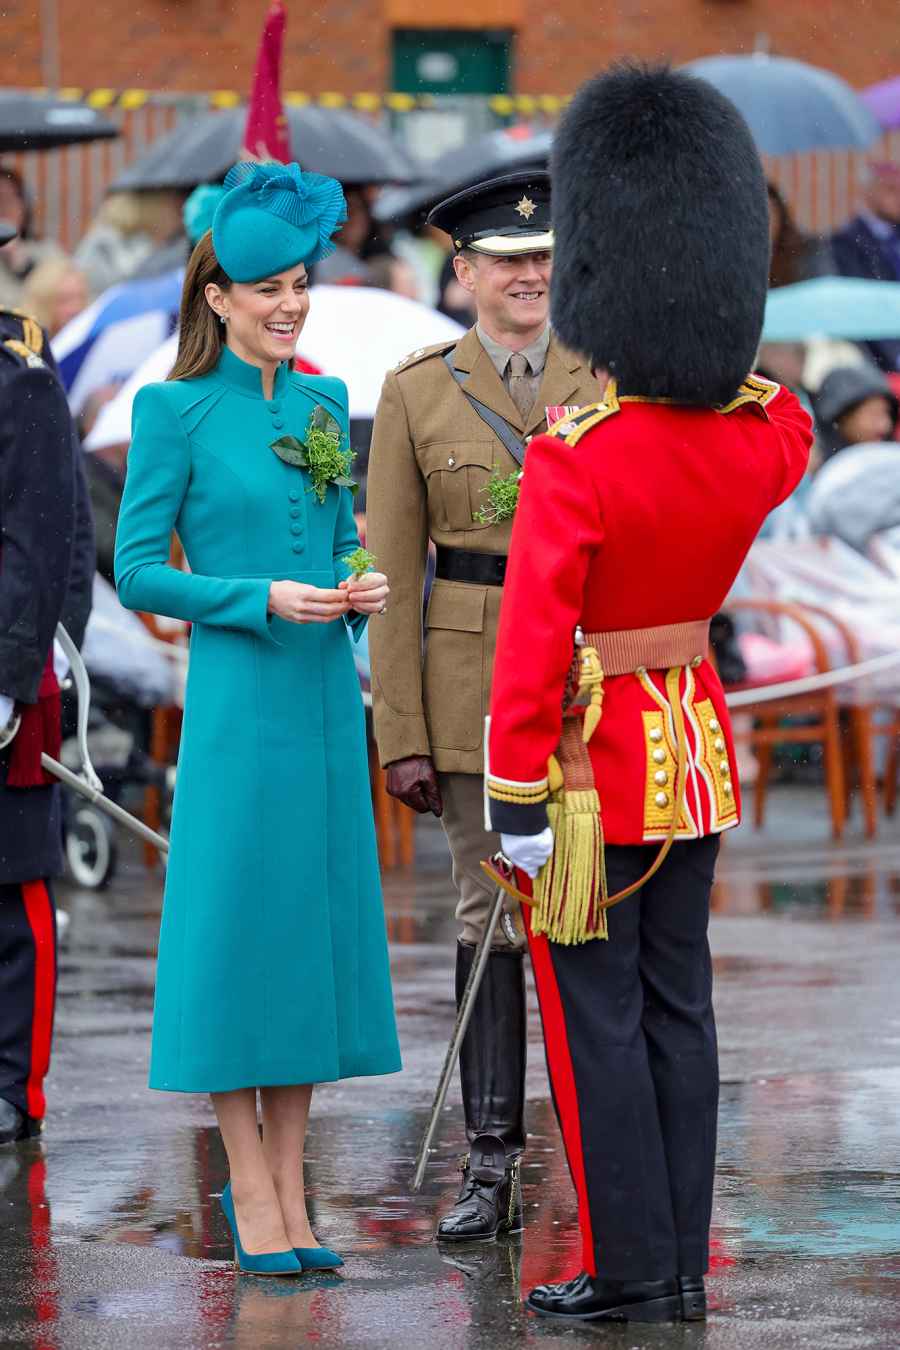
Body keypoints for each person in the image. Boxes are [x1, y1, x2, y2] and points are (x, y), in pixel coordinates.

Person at [485, 66, 813, 1323]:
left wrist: (516, 787)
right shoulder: (757, 439)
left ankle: (627, 1266)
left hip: (584, 768)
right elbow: (780, 409)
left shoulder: (581, 457)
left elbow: (531, 640)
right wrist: (715, 345)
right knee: (684, 1004)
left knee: (602, 1016)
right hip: (695, 754)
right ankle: (678, 1259)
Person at [113, 161, 401, 1275]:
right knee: (238, 938)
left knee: (308, 940)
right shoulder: (171, 410)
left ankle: (292, 1184)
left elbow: (335, 539)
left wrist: (357, 577)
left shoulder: (329, 404)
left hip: (324, 694)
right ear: (218, 298)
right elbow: (139, 570)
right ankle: (248, 1184)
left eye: (300, 283)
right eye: (265, 287)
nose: (289, 303)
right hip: (237, 698)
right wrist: (252, 599)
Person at [366, 170, 602, 1242]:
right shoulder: (418, 389)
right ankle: (493, 1165)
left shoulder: (604, 372)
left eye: (546, 258)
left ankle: (602, 1152)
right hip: (467, 684)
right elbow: (392, 575)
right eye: (509, 261)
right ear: (463, 272)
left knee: (602, 914)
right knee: (491, 911)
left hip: (586, 681)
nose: (531, 276)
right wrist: (401, 734)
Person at [0, 280, 95, 1146]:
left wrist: (19, 668)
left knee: (12, 879)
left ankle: (10, 1087)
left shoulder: (18, 374)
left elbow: (46, 537)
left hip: (6, 658)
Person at [829, 161, 900, 371]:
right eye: (891, 189)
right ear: (869, 191)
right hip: (878, 358)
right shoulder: (846, 242)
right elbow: (860, 304)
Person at [0, 167, 62, 308]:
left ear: (24, 206)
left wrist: (23, 266)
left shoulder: (47, 251)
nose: (2, 208)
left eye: (9, 200)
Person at [813, 364, 898, 459]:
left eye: (887, 413)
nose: (885, 426)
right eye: (874, 415)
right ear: (843, 418)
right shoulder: (817, 469)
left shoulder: (891, 461)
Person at [20, 255, 91, 338]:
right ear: (42, 304)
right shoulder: (21, 346)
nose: (76, 308)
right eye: (65, 300)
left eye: (81, 298)